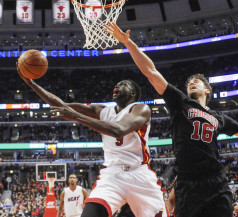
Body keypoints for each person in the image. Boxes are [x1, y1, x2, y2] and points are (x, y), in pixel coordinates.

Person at [104, 22, 238, 217]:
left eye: (197, 82)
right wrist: (128, 43)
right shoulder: (180, 103)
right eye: (189, 82)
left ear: (207, 91)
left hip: (215, 182)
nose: (191, 82)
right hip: (187, 183)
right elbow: (150, 71)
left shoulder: (218, 117)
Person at [17, 69, 168, 217]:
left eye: (122, 84)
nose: (116, 86)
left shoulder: (140, 109)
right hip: (112, 175)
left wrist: (76, 116)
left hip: (139, 175)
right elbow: (62, 105)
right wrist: (31, 83)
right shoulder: (102, 110)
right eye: (116, 84)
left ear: (132, 93)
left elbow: (119, 129)